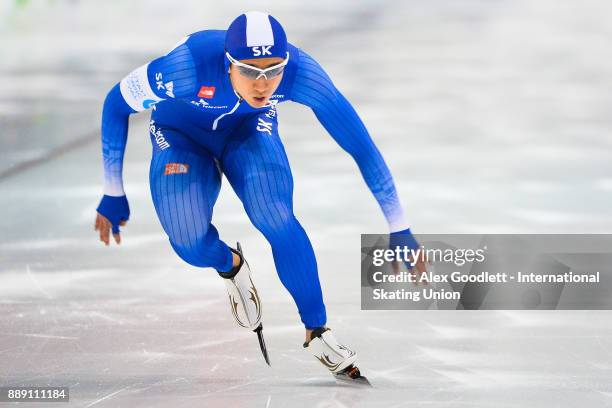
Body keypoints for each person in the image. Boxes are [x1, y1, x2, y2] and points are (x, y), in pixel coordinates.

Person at [94, 11, 425, 382]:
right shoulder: (185, 67)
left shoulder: (302, 73)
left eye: (273, 70)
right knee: (188, 242)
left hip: (249, 130)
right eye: (250, 71)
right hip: (179, 134)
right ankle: (230, 264)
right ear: (228, 63)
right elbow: (115, 102)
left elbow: (361, 146)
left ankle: (318, 331)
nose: (263, 83)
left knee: (275, 214)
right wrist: (113, 190)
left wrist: (399, 226)